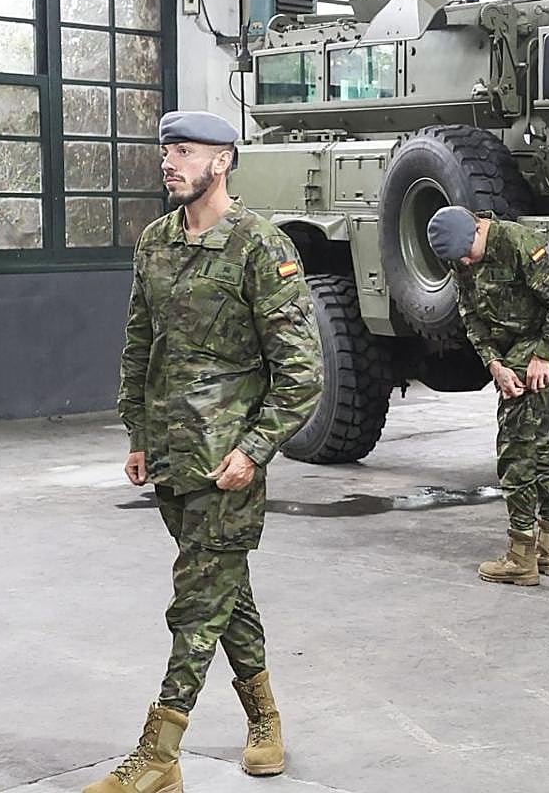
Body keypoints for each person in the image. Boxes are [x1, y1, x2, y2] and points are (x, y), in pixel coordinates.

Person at [86, 111, 322, 793]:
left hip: (227, 468)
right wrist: (135, 429)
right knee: (224, 591)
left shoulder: (259, 247)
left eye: (185, 151)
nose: (170, 162)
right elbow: (140, 342)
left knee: (194, 604)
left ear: (221, 163)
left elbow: (301, 370)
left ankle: (159, 755)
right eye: (167, 150)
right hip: (169, 457)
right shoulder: (156, 241)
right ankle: (266, 721)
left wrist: (254, 449)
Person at [426, 206, 549, 586]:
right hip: (510, 356)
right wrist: (494, 364)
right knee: (539, 450)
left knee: (515, 451)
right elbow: (470, 315)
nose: (464, 262)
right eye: (457, 259)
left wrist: (542, 354)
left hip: (543, 350)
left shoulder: (518, 243)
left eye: (468, 252)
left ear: (478, 229)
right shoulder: (460, 258)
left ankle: (520, 557)